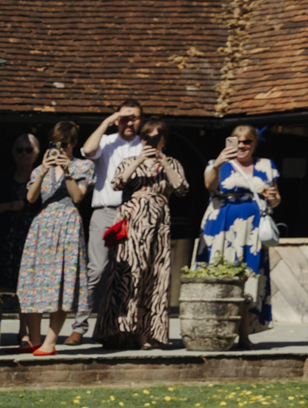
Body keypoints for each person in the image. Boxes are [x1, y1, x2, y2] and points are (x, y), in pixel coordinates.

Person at [95, 119, 187, 350]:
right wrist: (138, 160)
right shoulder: (129, 161)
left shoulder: (172, 163)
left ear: (163, 140)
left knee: (155, 275)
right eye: (146, 138)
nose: (150, 142)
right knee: (127, 274)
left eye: (155, 138)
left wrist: (163, 162)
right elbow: (117, 183)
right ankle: (118, 331)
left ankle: (146, 334)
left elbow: (181, 189)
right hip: (132, 221)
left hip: (158, 223)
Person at [15, 120, 92, 354]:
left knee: (62, 283)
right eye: (55, 144)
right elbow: (31, 198)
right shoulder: (41, 168)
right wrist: (43, 170)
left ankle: (50, 342)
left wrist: (67, 172)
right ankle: (34, 339)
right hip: (42, 225)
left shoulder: (83, 166)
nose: (60, 148)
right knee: (33, 281)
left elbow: (78, 197)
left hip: (67, 224)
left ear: (73, 143)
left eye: (64, 144)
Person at [201, 123, 283, 325]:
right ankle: (215, 325)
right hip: (221, 227)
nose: (241, 145)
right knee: (218, 272)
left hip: (253, 230)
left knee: (250, 276)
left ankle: (245, 331)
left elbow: (276, 200)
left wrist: (273, 198)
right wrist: (218, 163)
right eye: (237, 141)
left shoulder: (266, 165)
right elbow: (209, 185)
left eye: (247, 141)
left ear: (255, 143)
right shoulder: (217, 163)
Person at [79, 102, 145, 337]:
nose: (129, 122)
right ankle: (79, 326)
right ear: (117, 119)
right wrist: (108, 120)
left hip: (133, 212)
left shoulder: (144, 145)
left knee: (129, 271)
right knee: (96, 270)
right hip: (106, 211)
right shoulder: (106, 141)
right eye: (124, 117)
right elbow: (87, 150)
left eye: (134, 117)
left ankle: (121, 327)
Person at [0, 132, 41, 293]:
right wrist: (8, 206)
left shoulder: (43, 178)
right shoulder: (3, 178)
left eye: (28, 150)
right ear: (13, 153)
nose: (24, 154)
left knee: (27, 283)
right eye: (19, 150)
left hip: (30, 240)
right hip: (3, 238)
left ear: (36, 153)